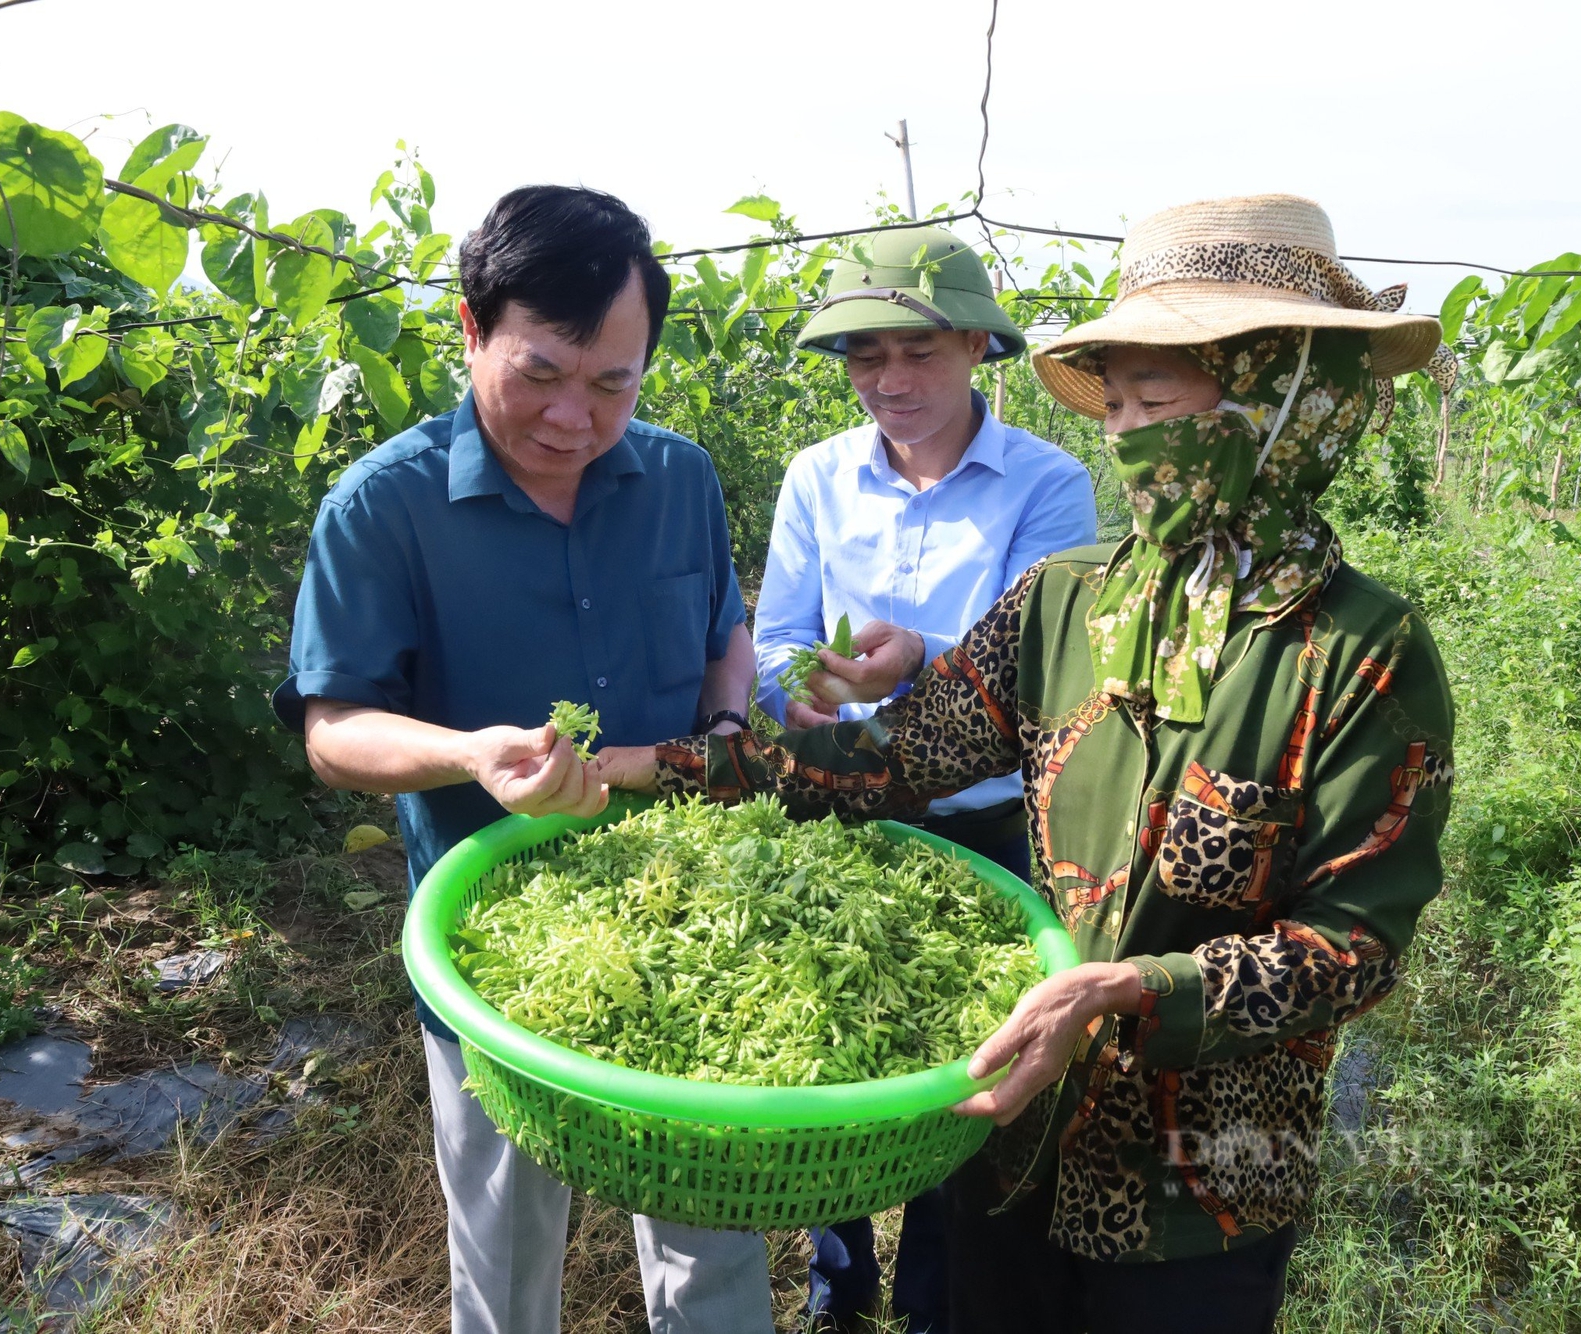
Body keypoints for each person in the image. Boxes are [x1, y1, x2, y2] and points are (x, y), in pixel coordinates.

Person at [591, 194, 1458, 1333]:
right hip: (1016, 1127)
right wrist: (656, 767)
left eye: (1163, 399)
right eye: (1120, 401)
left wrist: (1132, 991)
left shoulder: (1357, 651)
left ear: (1280, 406)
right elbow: (883, 759)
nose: (1130, 433)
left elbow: (1354, 943)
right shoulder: (1069, 601)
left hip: (1203, 1171)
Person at [272, 185, 771, 1334]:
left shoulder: (680, 479)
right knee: (504, 1247)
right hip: (496, 952)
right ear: (469, 330)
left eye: (614, 382)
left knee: (712, 1231)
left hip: (700, 920)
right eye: (540, 372)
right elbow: (334, 726)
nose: (574, 417)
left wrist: (729, 728)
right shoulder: (382, 508)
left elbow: (721, 632)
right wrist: (468, 754)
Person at [758, 225, 1097, 1332]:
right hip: (837, 814)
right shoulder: (817, 476)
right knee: (824, 1048)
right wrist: (801, 688)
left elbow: (1044, 671)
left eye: (920, 355)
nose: (891, 383)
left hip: (986, 826)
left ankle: (935, 1298)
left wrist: (923, 661)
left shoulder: (1047, 488)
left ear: (976, 352)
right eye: (864, 359)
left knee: (962, 1074)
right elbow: (775, 642)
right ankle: (836, 1287)